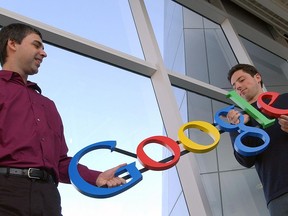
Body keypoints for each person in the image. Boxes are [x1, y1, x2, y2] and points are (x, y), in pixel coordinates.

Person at [0, 23, 126, 216]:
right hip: (6, 192)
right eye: (36, 45)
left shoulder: (47, 105)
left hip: (49, 198)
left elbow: (59, 162)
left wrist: (96, 176)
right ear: (13, 44)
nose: (44, 53)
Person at [227, 63, 288, 216]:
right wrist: (242, 126)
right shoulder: (238, 120)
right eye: (234, 86)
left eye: (241, 80)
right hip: (277, 194)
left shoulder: (285, 100)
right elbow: (245, 161)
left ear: (257, 77)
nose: (238, 87)